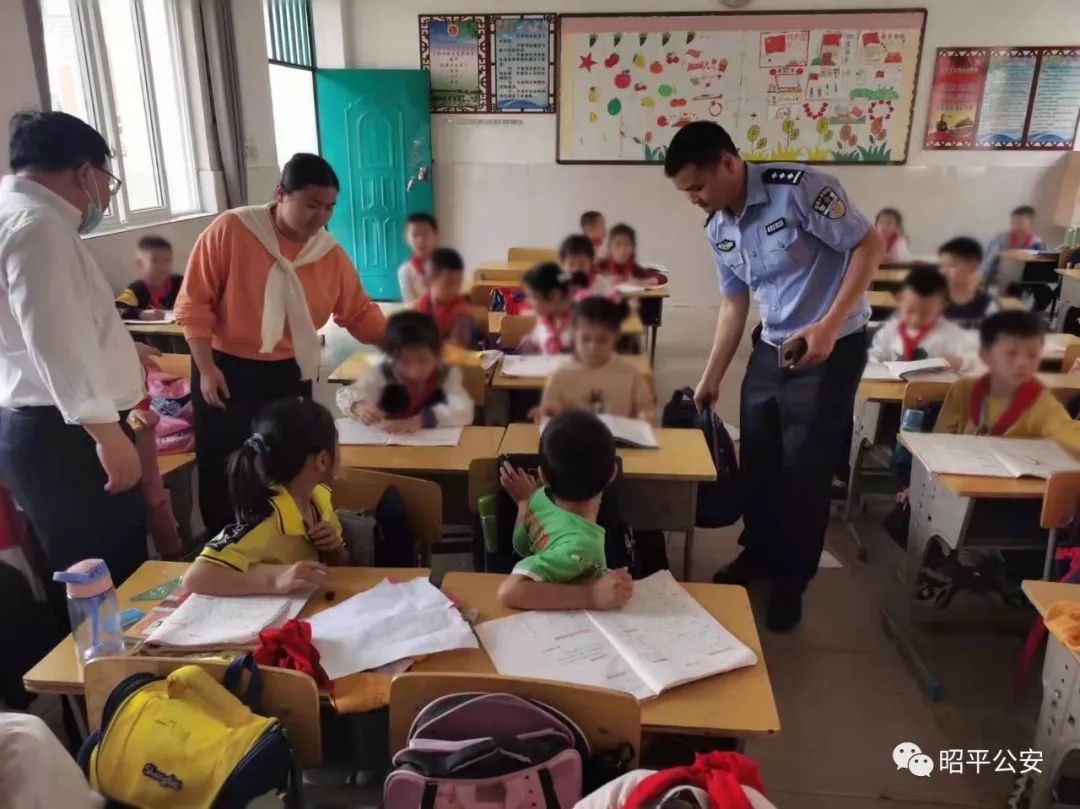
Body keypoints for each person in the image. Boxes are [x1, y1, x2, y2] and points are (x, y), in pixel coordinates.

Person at [665, 121, 884, 630]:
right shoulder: (719, 227)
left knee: (804, 471)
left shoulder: (801, 189)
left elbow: (869, 245)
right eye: (686, 192)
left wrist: (829, 326)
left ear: (728, 163)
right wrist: (711, 376)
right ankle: (758, 554)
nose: (694, 199)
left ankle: (792, 579)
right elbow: (733, 303)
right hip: (772, 345)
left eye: (697, 187)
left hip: (832, 345)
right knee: (760, 459)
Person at [176, 153, 385, 537]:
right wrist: (205, 367)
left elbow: (357, 312)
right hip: (225, 368)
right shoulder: (233, 231)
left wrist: (405, 343)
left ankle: (283, 538)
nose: (320, 217)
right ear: (280, 195)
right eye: (310, 205)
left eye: (329, 208)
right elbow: (194, 303)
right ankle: (226, 542)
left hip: (289, 371)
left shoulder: (327, 254)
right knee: (226, 462)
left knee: (287, 462)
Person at [0, 111, 152, 622]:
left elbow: (40, 331)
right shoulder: (38, 226)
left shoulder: (12, 212)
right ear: (84, 172)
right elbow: (55, 339)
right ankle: (122, 692)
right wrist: (108, 437)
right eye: (106, 181)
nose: (104, 198)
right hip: (71, 438)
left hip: (45, 426)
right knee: (107, 576)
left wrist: (122, 351)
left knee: (81, 572)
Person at [183, 398, 345, 596]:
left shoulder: (319, 499)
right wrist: (274, 579)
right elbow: (196, 578)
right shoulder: (265, 518)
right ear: (322, 460)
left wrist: (334, 547)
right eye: (337, 443)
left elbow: (342, 565)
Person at [497, 410, 633, 610]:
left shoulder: (539, 497)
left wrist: (524, 502)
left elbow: (521, 546)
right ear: (613, 472)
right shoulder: (583, 546)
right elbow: (509, 592)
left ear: (542, 475)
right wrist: (591, 596)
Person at [935, 311, 1080, 451]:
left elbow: (1067, 433)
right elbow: (934, 447)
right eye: (1011, 353)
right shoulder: (963, 390)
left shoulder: (1040, 402)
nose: (1022, 363)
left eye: (1031, 355)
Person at [336, 310, 474, 432]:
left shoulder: (445, 375)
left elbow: (464, 412)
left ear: (437, 356)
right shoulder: (385, 374)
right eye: (405, 362)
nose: (414, 371)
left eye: (423, 361)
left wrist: (421, 420)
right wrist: (359, 406)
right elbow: (345, 394)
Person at [540, 297, 656, 422]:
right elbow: (549, 418)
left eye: (602, 340)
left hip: (619, 440)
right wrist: (547, 415)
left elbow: (646, 411)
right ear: (573, 335)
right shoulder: (560, 376)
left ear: (616, 337)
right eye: (585, 339)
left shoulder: (630, 374)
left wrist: (646, 416)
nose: (592, 348)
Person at [869, 267, 977, 371]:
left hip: (935, 388)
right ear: (899, 299)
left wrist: (960, 362)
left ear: (943, 305)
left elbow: (973, 358)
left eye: (925, 314)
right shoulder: (889, 331)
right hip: (893, 387)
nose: (916, 319)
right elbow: (874, 357)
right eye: (909, 311)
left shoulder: (951, 334)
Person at [414, 247, 474, 347]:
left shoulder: (462, 311)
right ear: (429, 280)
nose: (455, 289)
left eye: (458, 284)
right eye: (449, 284)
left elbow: (458, 344)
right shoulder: (420, 305)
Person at [114, 234, 183, 321]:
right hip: (150, 333)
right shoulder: (137, 290)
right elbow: (116, 309)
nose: (162, 266)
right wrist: (141, 314)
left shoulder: (180, 282)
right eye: (154, 260)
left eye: (167, 260)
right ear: (140, 263)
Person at [940, 236, 998, 329]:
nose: (943, 271)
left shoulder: (987, 304)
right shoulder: (936, 302)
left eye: (951, 265)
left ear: (973, 267)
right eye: (942, 266)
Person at [519, 262, 576, 354]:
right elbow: (537, 338)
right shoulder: (544, 318)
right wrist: (530, 342)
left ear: (554, 295)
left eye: (532, 297)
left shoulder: (583, 321)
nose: (528, 301)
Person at [980, 205, 1046, 283]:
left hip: (1025, 285)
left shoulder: (1037, 243)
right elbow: (987, 264)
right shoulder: (1000, 240)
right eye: (1013, 221)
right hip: (999, 282)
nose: (1015, 225)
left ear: (1030, 223)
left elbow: (1041, 270)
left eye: (1020, 222)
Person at [596, 224, 668, 287]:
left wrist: (651, 281)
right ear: (610, 248)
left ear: (633, 248)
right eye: (618, 244)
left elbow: (662, 277)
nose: (622, 250)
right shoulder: (602, 264)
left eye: (627, 245)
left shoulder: (633, 267)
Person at [397, 212, 438, 304]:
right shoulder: (405, 271)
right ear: (406, 239)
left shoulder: (445, 265)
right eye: (415, 234)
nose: (420, 239)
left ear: (435, 236)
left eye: (425, 234)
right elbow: (410, 303)